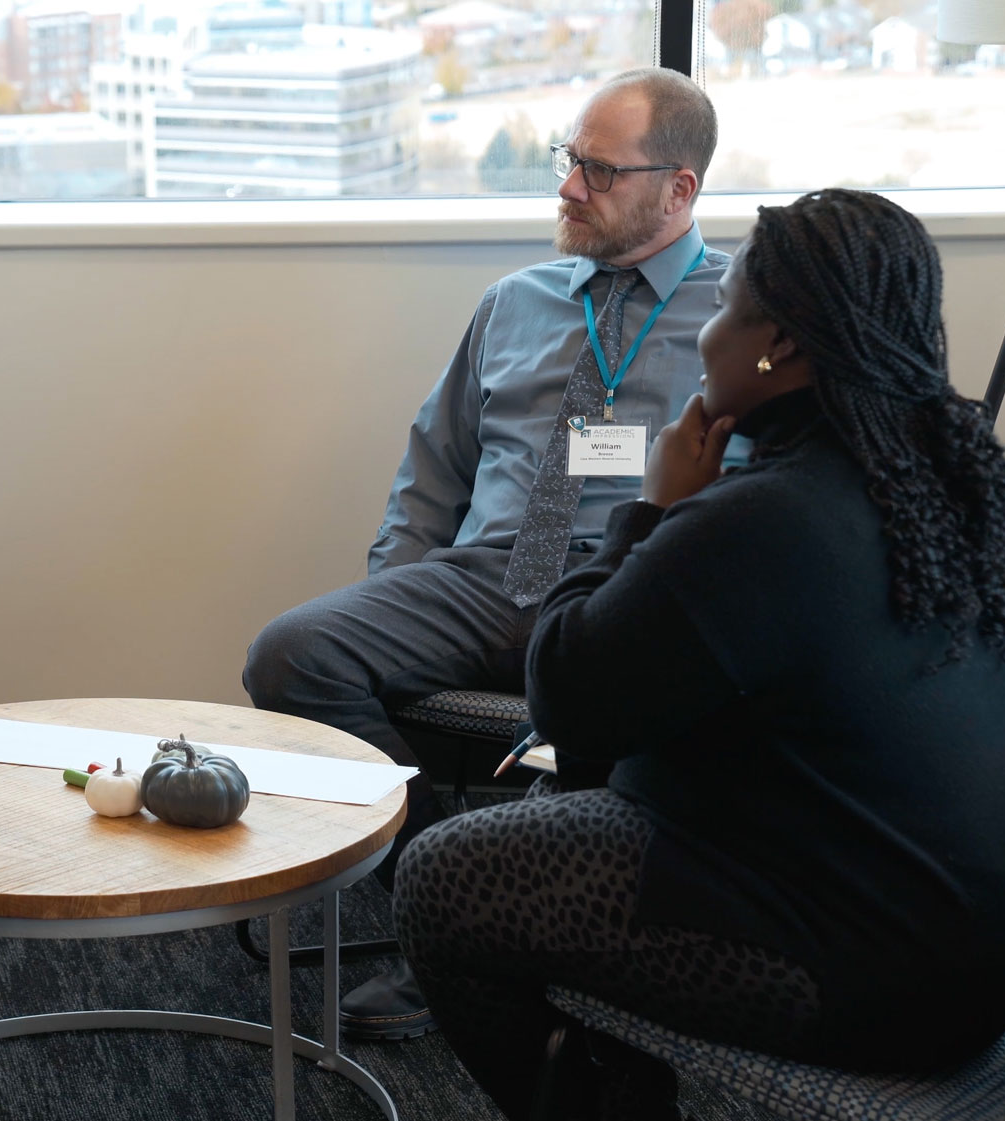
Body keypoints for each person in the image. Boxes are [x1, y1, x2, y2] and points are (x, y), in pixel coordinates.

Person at [393, 189, 1005, 1120]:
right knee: (565, 806)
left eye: (728, 310)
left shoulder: (761, 518)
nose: (707, 334)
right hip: (988, 956)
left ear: (781, 346)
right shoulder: (935, 488)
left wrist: (649, 511)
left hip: (874, 979)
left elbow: (569, 694)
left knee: (444, 881)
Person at [242, 67, 726, 1040]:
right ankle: (446, 875)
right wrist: (395, 601)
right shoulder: (515, 301)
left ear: (676, 190)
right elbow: (433, 470)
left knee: (640, 736)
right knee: (289, 652)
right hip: (486, 576)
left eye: (597, 169)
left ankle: (478, 930)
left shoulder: (741, 317)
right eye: (567, 160)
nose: (566, 187)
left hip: (627, 588)